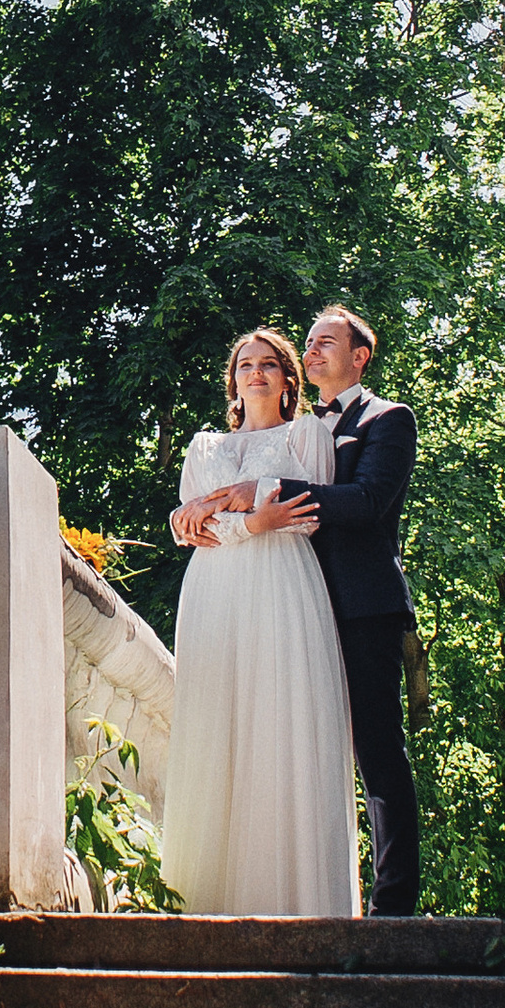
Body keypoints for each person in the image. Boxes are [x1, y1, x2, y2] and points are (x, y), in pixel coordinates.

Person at [157, 326, 358, 916]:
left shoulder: (307, 435)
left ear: (289, 379)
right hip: (215, 593)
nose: (257, 373)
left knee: (277, 720)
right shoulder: (204, 448)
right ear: (234, 381)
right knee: (214, 723)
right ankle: (202, 902)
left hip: (283, 589)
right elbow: (192, 531)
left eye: (269, 364)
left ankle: (291, 901)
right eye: (246, 364)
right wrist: (231, 517)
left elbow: (309, 511)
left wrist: (238, 513)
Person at [299, 303, 424, 918]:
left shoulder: (388, 420)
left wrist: (274, 493)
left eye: (327, 342)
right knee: (307, 747)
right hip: (300, 605)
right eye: (309, 342)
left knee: (377, 750)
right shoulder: (298, 426)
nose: (312, 350)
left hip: (365, 607)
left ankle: (393, 905)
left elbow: (368, 501)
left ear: (359, 356)